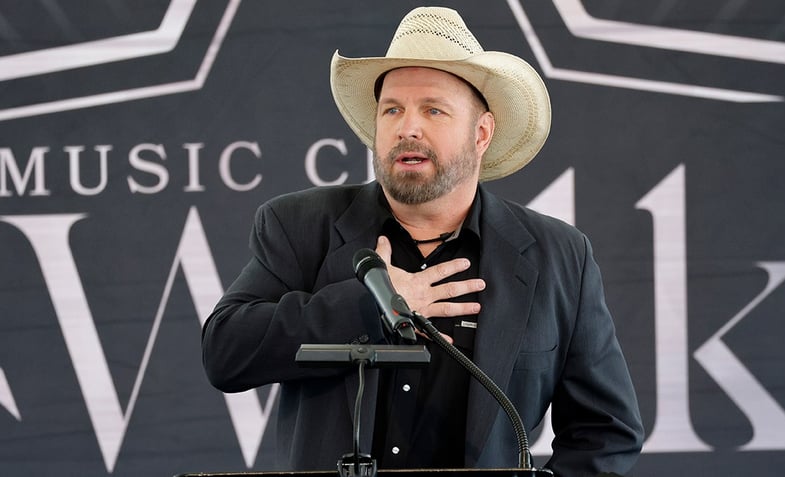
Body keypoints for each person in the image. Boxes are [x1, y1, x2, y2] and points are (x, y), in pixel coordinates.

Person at [202, 6, 643, 477]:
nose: (407, 127)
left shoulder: (560, 256)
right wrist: (372, 306)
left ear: (481, 133)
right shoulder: (299, 225)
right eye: (392, 109)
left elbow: (607, 432)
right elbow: (226, 353)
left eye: (433, 109)